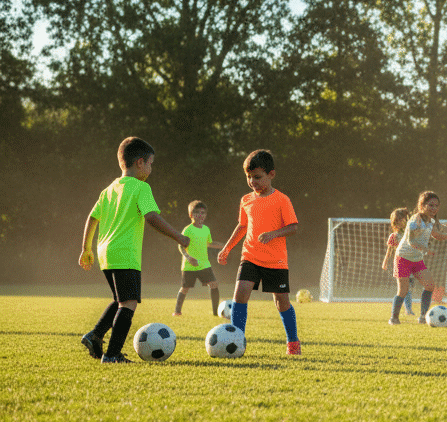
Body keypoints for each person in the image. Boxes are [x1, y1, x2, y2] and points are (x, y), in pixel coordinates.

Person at [79, 137, 189, 363]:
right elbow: (152, 217)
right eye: (150, 163)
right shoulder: (141, 187)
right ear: (140, 162)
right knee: (128, 303)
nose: (151, 168)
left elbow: (92, 217)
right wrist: (178, 235)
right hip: (125, 253)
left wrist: (85, 248)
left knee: (120, 299)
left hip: (105, 253)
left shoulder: (109, 189)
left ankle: (95, 335)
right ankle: (111, 355)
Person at [216, 150, 302, 356]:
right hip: (250, 257)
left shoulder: (282, 199)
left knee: (282, 302)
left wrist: (274, 234)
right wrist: (227, 248)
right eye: (249, 177)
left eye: (257, 177)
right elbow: (242, 226)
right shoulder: (246, 200)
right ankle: (238, 342)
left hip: (276, 261)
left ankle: (293, 342)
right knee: (239, 295)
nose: (252, 181)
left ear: (271, 174)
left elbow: (293, 227)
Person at [385, 192, 447, 324]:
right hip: (403, 258)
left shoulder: (430, 221)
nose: (434, 208)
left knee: (430, 285)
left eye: (436, 205)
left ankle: (423, 316)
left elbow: (437, 235)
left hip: (416, 260)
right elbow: (411, 241)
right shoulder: (415, 220)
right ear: (422, 205)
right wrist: (425, 249)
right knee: (403, 290)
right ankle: (394, 318)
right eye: (430, 205)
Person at [173, 200, 224, 317]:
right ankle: (177, 311)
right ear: (191, 215)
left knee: (214, 284)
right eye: (197, 213)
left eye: (203, 213)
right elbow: (180, 245)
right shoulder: (187, 230)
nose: (200, 215)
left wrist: (224, 246)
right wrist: (188, 257)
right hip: (189, 266)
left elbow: (209, 243)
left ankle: (216, 313)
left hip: (204, 265)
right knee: (185, 288)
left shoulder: (206, 229)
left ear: (205, 215)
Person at [381, 207, 416, 319]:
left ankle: (407, 309)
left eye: (401, 220)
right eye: (397, 221)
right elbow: (389, 250)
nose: (400, 223)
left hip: (412, 263)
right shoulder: (394, 236)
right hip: (401, 265)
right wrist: (385, 262)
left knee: (409, 288)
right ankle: (407, 310)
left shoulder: (410, 233)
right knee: (404, 289)